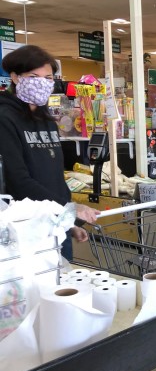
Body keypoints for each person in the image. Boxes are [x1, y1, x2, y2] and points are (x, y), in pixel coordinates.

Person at [0, 45, 100, 260]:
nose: (42, 83)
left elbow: (53, 176)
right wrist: (67, 209)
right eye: (34, 76)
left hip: (54, 223)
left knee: (62, 286)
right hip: (24, 229)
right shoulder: (4, 118)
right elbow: (17, 180)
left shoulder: (46, 120)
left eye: (48, 77)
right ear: (16, 77)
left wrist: (68, 221)